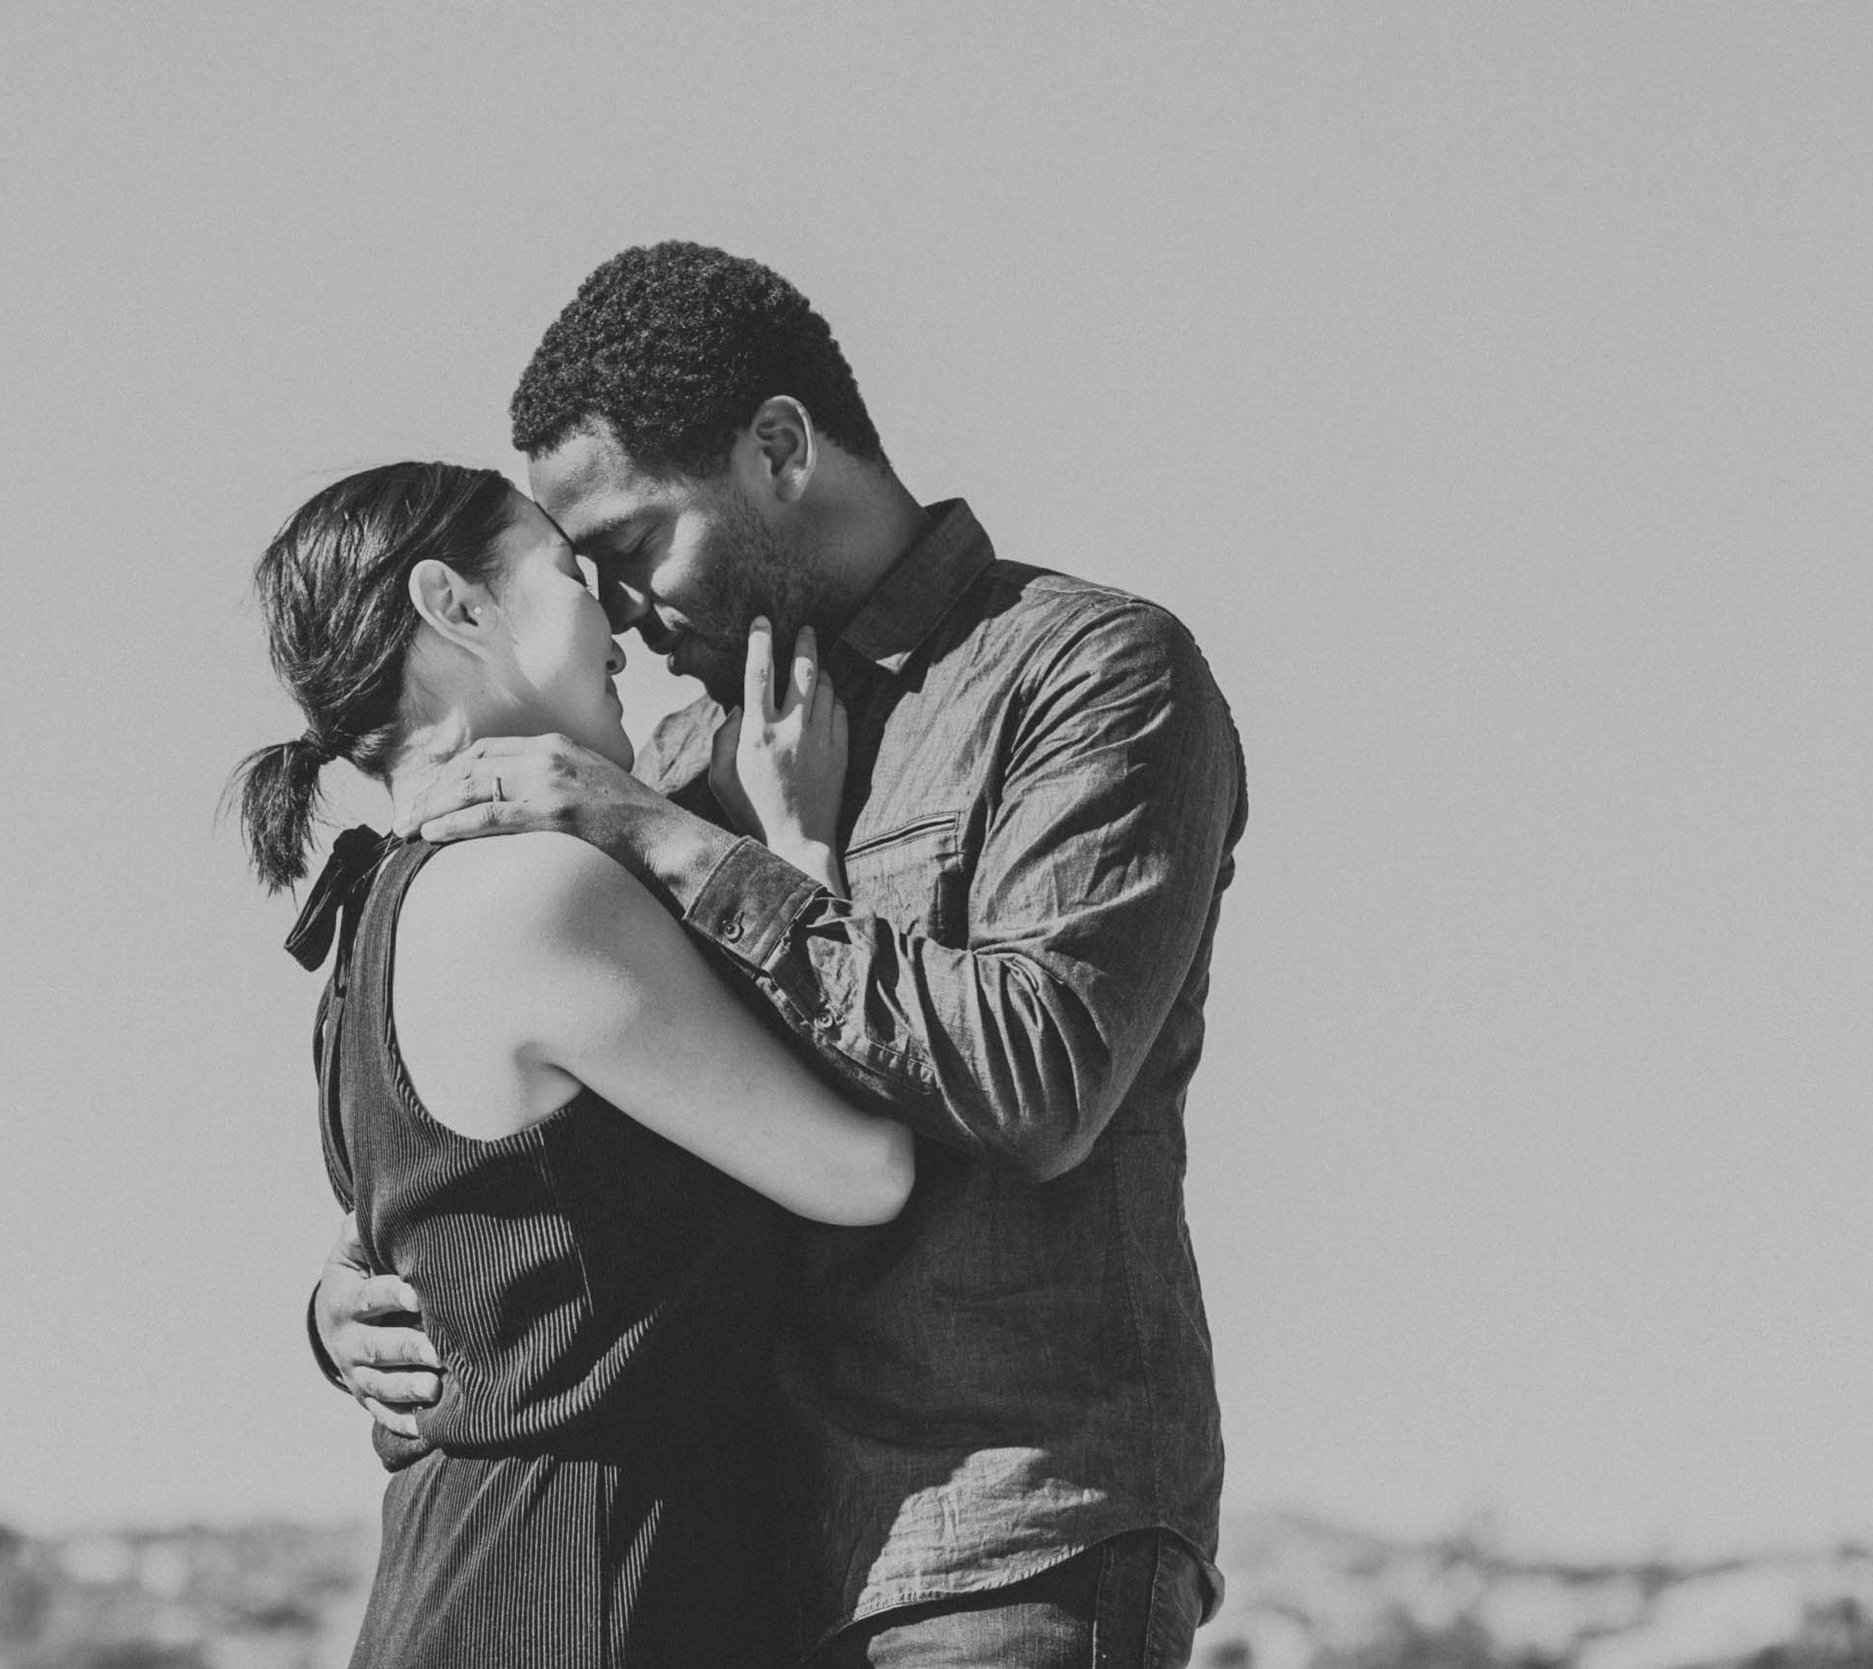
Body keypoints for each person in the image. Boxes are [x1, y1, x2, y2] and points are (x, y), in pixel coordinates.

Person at [317, 243, 1248, 1667]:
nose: (619, 617)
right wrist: (348, 1307)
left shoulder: (1086, 676)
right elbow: (560, 1137)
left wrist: (685, 851)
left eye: (632, 549)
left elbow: (1040, 1077)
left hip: (999, 1552)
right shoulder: (676, 767)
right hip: (722, 1582)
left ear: (780, 447)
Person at [234, 460, 915, 1668]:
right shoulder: (536, 892)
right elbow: (863, 1170)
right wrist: (799, 847)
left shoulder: (372, 930)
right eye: (565, 569)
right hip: (593, 1590)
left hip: (467, 1585)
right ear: (455, 606)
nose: (617, 614)